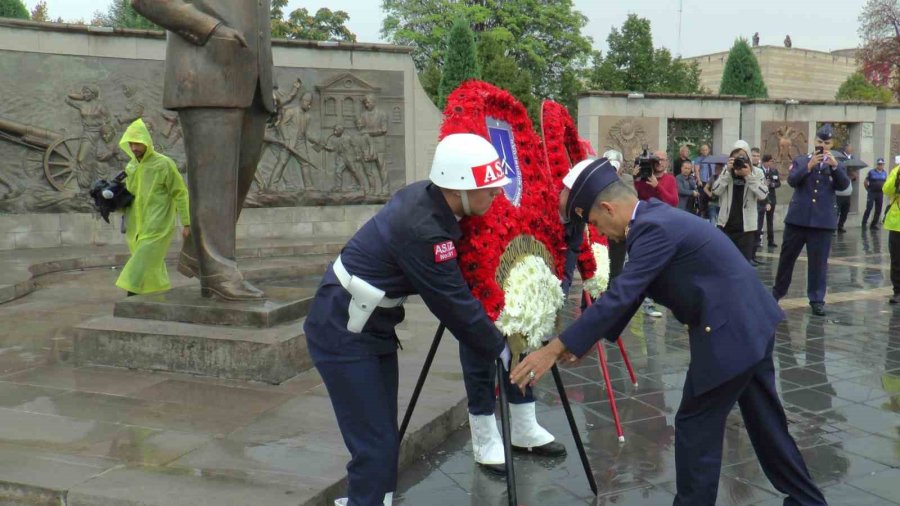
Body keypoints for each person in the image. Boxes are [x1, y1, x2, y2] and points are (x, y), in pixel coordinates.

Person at [509, 161, 826, 506]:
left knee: (695, 428)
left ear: (607, 207)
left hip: (729, 333)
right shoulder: (654, 217)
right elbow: (634, 288)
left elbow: (624, 292)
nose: (603, 233)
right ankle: (807, 500)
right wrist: (582, 342)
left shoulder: (652, 228)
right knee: (767, 426)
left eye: (598, 224)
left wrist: (555, 348)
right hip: (750, 324)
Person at [303, 134, 513, 506]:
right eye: (489, 187)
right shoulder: (423, 228)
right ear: (460, 187)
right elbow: (452, 303)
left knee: (383, 438)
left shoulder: (433, 203)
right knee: (376, 446)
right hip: (343, 329)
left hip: (371, 327)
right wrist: (499, 346)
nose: (497, 193)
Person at [131, 0, 274, 301]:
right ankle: (218, 270)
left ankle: (199, 256)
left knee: (237, 182)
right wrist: (209, 29)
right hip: (206, 69)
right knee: (214, 184)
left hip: (253, 82)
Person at [772, 124, 850, 316]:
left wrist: (835, 167)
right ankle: (777, 293)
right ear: (814, 142)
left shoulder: (836, 164)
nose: (822, 145)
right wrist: (809, 166)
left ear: (832, 144)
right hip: (798, 220)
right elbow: (792, 181)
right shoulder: (801, 160)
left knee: (818, 263)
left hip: (822, 222)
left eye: (826, 142)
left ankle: (816, 299)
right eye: (819, 142)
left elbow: (844, 186)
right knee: (786, 259)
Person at [115, 119, 190, 296]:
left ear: (147, 142)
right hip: (136, 225)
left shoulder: (164, 164)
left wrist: (187, 223)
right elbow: (129, 195)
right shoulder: (131, 166)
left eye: (138, 143)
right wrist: (114, 201)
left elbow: (180, 193)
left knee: (141, 260)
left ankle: (131, 293)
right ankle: (157, 290)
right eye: (131, 143)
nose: (134, 148)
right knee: (150, 261)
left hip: (158, 224)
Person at [634, 149, 677, 317]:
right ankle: (642, 302)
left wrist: (657, 186)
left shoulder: (670, 179)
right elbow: (634, 197)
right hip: (644, 225)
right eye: (656, 160)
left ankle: (655, 301)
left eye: (662, 160)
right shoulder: (643, 179)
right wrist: (634, 179)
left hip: (663, 226)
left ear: (667, 162)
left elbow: (673, 202)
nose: (659, 163)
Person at [712, 145, 768, 262]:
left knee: (743, 264)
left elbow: (763, 194)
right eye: (735, 158)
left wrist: (748, 175)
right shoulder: (727, 171)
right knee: (724, 262)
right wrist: (727, 172)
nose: (739, 161)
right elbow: (716, 191)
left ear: (748, 158)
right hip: (725, 224)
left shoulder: (757, 172)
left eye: (742, 157)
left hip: (746, 228)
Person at [883, 160, 900, 303]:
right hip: (896, 224)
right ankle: (897, 291)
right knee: (896, 260)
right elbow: (886, 190)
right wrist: (897, 178)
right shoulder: (896, 171)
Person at [759, 154, 782, 247]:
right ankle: (758, 240)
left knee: (770, 220)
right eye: (771, 161)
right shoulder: (759, 170)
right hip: (761, 199)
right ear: (765, 162)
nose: (772, 163)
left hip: (771, 198)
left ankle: (770, 240)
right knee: (759, 220)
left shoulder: (774, 171)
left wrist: (772, 184)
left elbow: (778, 183)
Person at [862, 158, 888, 230]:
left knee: (878, 209)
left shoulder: (884, 173)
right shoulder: (871, 172)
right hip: (872, 192)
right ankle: (864, 223)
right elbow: (865, 181)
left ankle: (873, 224)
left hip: (880, 193)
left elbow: (886, 183)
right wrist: (868, 189)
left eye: (881, 164)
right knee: (869, 208)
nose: (880, 165)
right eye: (879, 164)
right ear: (877, 164)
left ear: (883, 165)